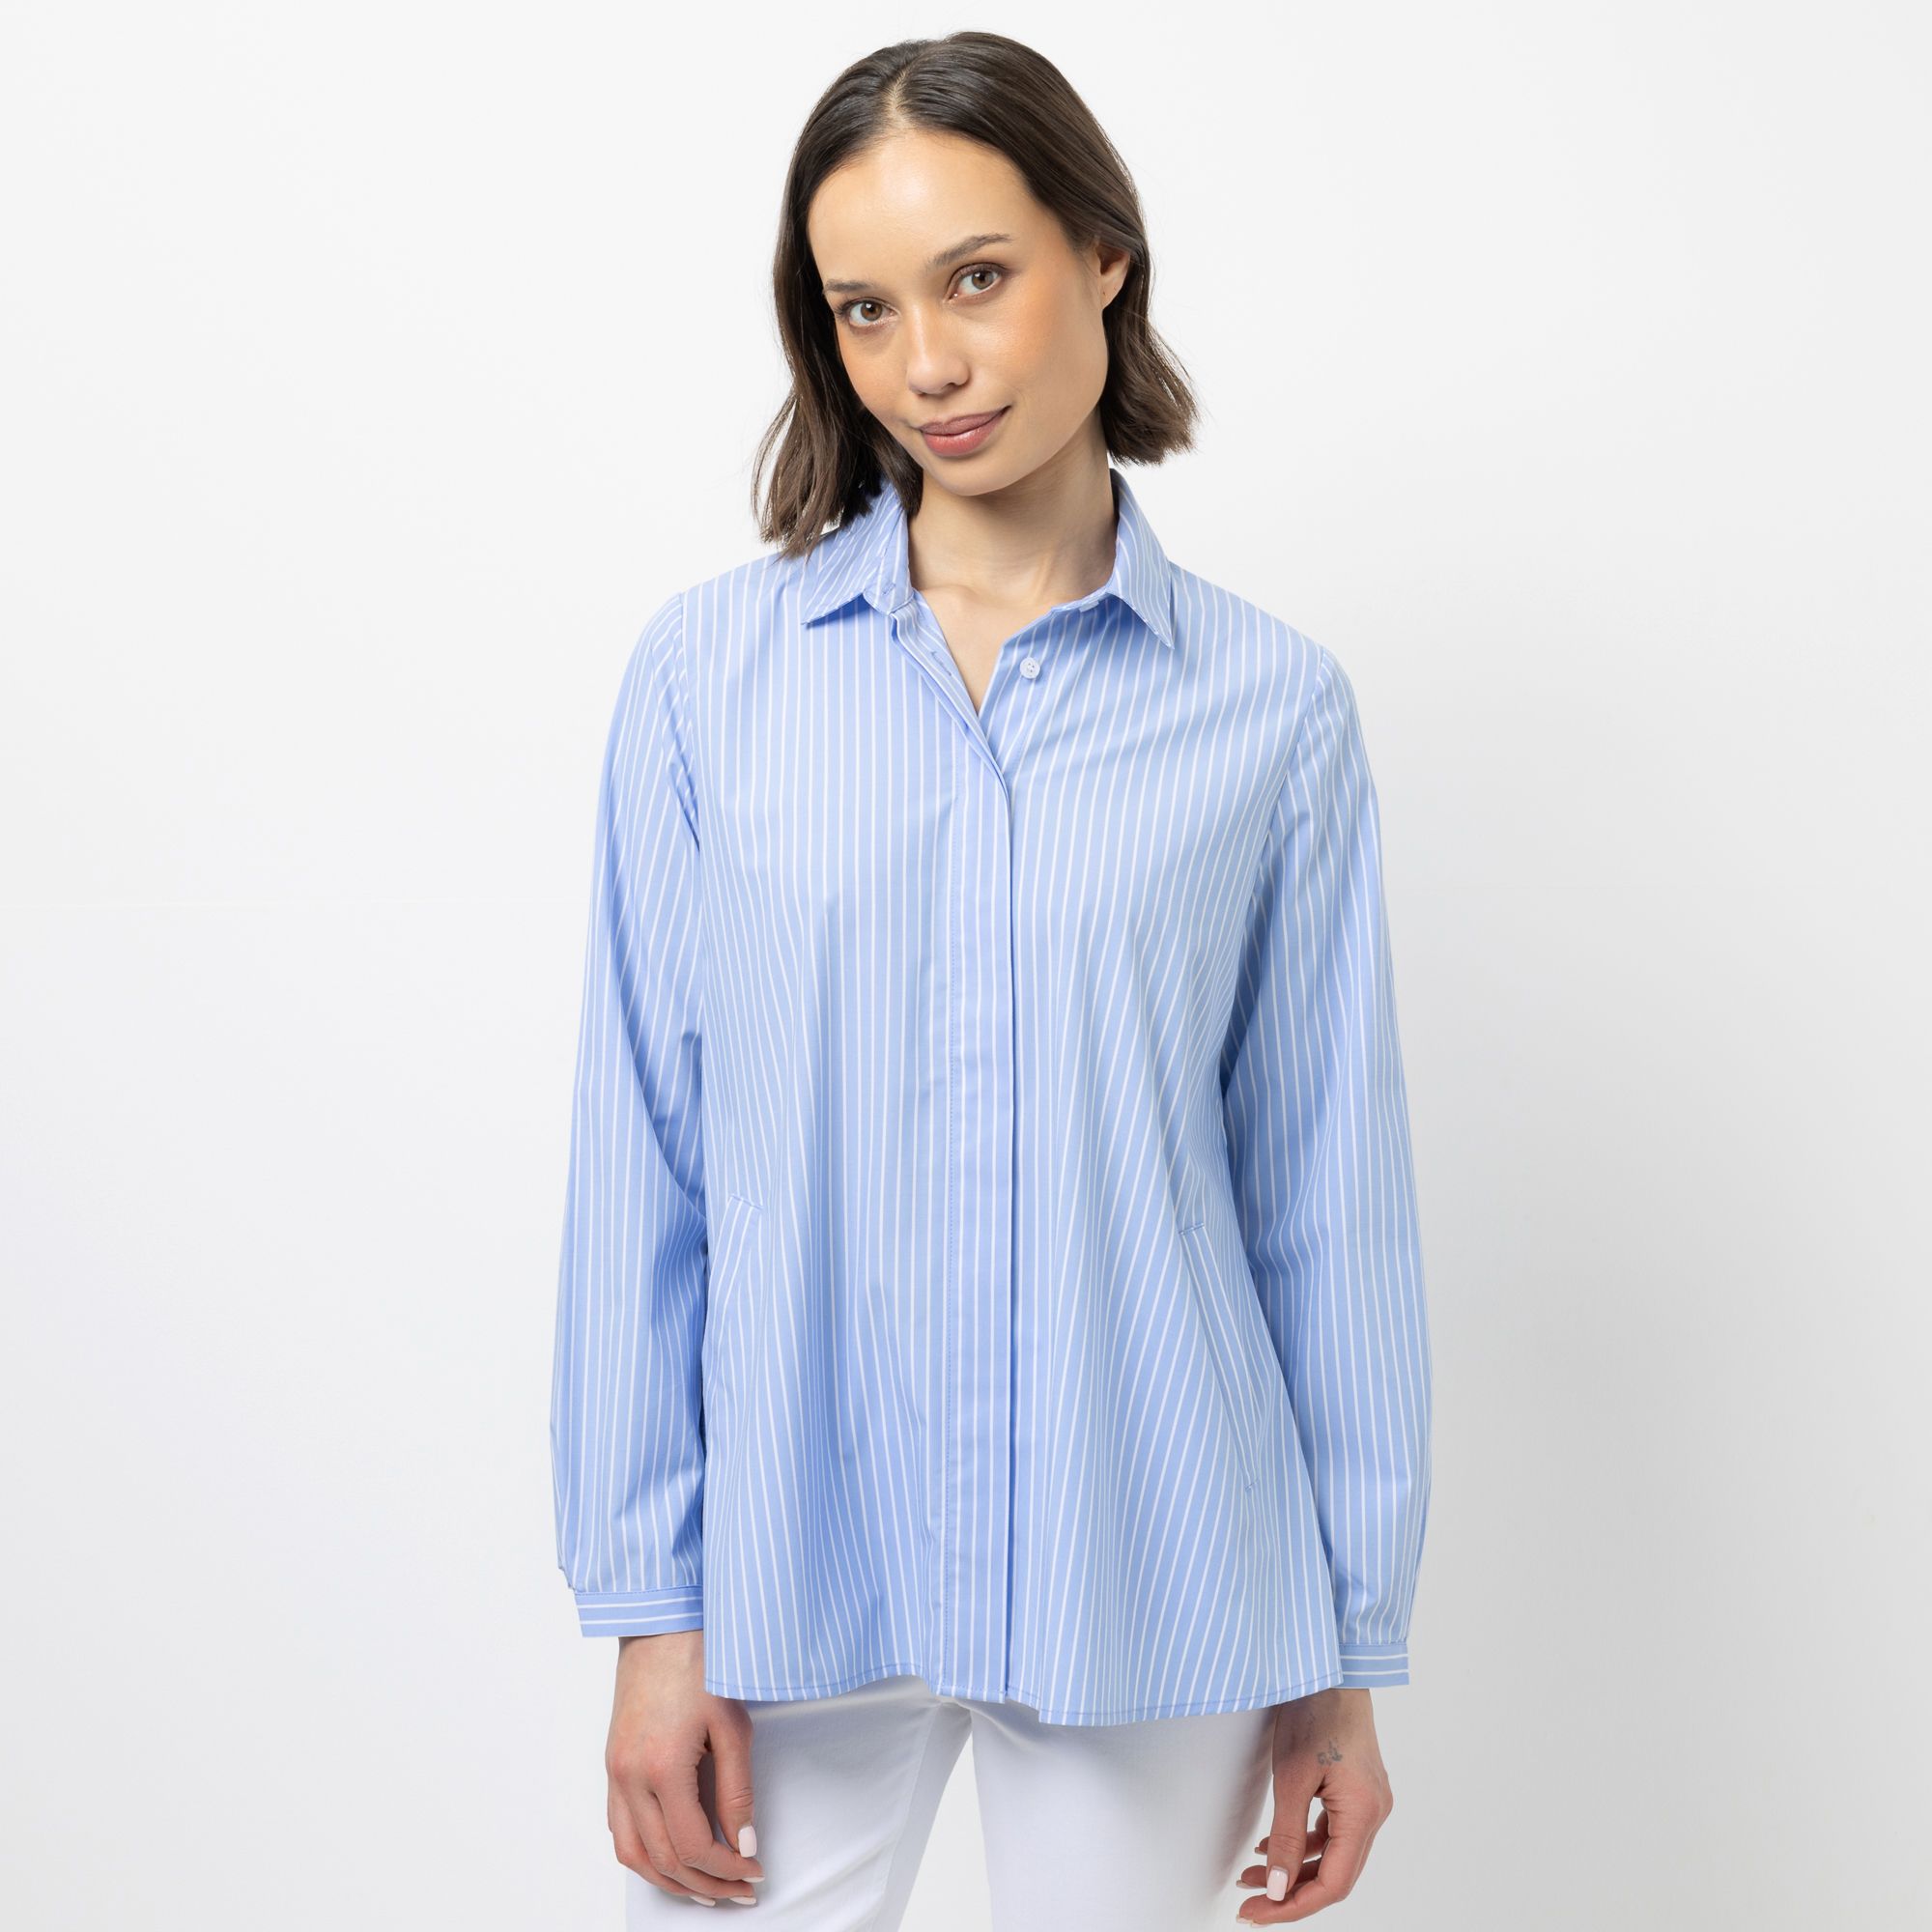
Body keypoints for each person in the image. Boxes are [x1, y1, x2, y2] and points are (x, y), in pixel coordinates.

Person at [550, 30, 1434, 1930]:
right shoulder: (710, 684)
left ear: (1103, 253)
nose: (927, 365)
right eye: (864, 309)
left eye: (975, 278)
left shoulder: (1269, 712)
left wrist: (1340, 1656)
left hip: (1155, 1562)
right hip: (792, 1569)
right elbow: (648, 1165)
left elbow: (1325, 1203)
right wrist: (650, 1614)